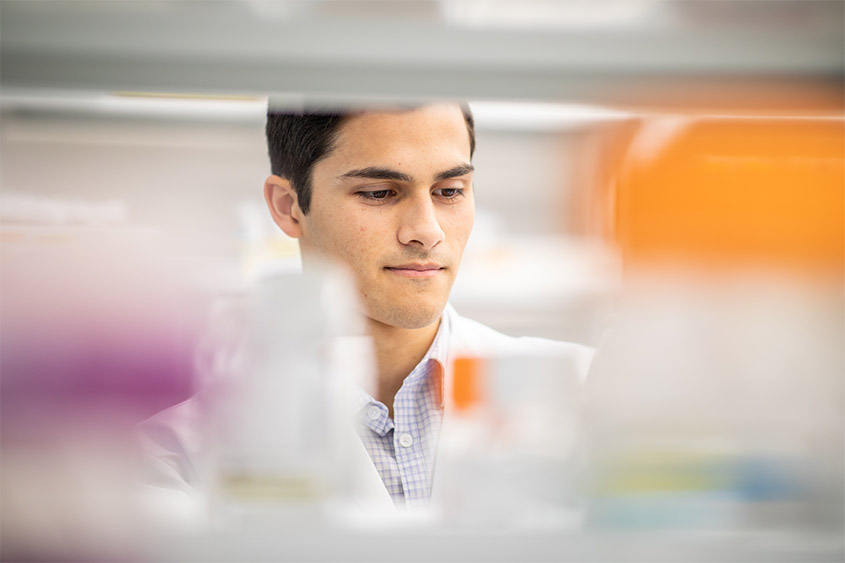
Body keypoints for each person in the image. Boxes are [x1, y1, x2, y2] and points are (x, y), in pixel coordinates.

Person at [139, 102, 593, 511]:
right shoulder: (173, 457)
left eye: (450, 190)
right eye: (379, 192)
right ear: (288, 206)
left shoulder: (588, 393)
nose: (426, 231)